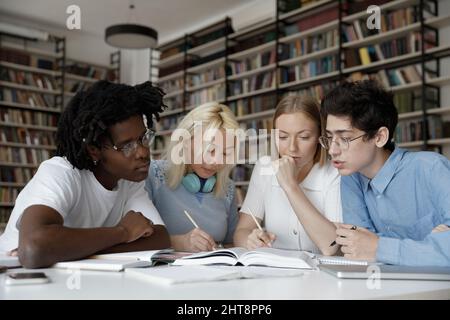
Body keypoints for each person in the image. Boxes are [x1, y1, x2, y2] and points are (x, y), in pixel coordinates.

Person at [0, 81, 171, 268]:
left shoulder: (129, 180)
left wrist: (77, 251)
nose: (143, 152)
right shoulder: (61, 172)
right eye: (127, 146)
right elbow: (34, 248)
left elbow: (160, 239)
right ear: (94, 150)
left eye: (143, 138)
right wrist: (122, 232)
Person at [320, 79, 450, 266]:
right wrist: (428, 247)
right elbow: (358, 247)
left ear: (379, 137)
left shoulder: (431, 168)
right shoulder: (351, 177)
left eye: (345, 138)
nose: (332, 150)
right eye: (330, 137)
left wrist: (379, 247)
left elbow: (370, 247)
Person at [233, 96, 342, 255]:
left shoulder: (334, 173)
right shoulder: (264, 167)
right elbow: (241, 231)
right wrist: (250, 240)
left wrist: (291, 186)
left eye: (304, 137)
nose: (292, 148)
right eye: (283, 137)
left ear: (320, 137)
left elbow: (331, 245)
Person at [145, 102, 239, 252]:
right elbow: (135, 239)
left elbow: (232, 244)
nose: (216, 161)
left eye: (225, 154)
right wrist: (178, 242)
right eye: (210, 150)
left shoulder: (228, 188)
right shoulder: (153, 175)